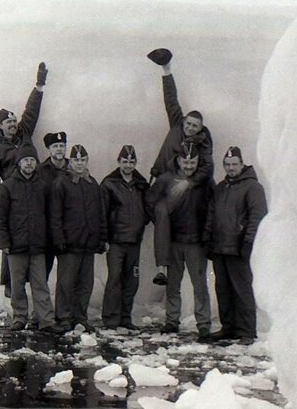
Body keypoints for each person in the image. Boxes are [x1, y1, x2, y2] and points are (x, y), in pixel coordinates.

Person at [147, 48, 214, 286]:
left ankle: (169, 266)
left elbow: (207, 169)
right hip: (163, 180)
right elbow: (171, 99)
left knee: (170, 216)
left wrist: (190, 181)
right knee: (158, 214)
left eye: (196, 126)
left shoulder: (204, 143)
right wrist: (166, 70)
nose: (191, 127)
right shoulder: (177, 124)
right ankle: (162, 266)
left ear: (200, 128)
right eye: (189, 123)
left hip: (183, 186)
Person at [0, 62, 49, 297]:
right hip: (12, 198)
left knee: (37, 240)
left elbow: (31, 111)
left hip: (35, 192)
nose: (13, 125)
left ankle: (37, 288)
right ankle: (11, 289)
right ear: (1, 127)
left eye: (14, 121)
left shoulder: (24, 133)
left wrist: (39, 85)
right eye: (8, 123)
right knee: (12, 246)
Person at [0, 145, 65, 334]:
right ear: (19, 163)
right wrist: (4, 242)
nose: (29, 163)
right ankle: (19, 317)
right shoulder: (7, 186)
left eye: (32, 160)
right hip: (16, 246)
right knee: (17, 285)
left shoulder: (43, 186)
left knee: (40, 284)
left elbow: (51, 215)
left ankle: (46, 320)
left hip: (39, 246)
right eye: (26, 160)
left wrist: (50, 240)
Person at [146, 143, 212, 341]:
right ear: (178, 160)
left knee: (199, 284)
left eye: (193, 162)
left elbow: (214, 205)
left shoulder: (205, 182)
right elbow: (150, 200)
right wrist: (161, 219)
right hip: (173, 241)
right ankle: (172, 320)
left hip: (196, 242)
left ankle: (203, 324)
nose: (189, 166)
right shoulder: (166, 179)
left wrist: (207, 230)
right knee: (172, 284)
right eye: (186, 162)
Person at [203, 146, 268, 345]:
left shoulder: (252, 187)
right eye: (228, 165)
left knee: (242, 289)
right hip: (220, 247)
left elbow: (257, 216)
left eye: (234, 164)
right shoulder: (221, 188)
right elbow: (212, 214)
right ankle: (228, 327)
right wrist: (208, 237)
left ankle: (247, 331)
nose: (231, 168)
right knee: (223, 289)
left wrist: (248, 242)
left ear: (242, 164)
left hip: (238, 247)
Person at [50, 144, 107, 332]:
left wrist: (101, 238)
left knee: (85, 284)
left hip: (88, 244)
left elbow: (100, 214)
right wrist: (59, 239)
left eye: (83, 160)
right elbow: (55, 215)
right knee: (66, 282)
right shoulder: (62, 183)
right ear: (70, 161)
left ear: (87, 161)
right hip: (70, 244)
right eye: (76, 160)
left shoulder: (92, 184)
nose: (79, 163)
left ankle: (80, 317)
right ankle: (64, 317)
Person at [100, 145, 151, 330]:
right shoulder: (109, 183)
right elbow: (102, 213)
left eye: (131, 161)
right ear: (119, 162)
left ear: (135, 163)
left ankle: (125, 317)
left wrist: (141, 222)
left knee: (132, 280)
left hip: (134, 241)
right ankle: (110, 319)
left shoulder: (141, 183)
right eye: (125, 161)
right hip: (116, 241)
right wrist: (104, 238)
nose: (128, 165)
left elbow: (148, 208)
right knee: (114, 279)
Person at [36, 131, 69, 277]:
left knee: (68, 273)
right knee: (43, 271)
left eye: (62, 145)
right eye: (55, 146)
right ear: (49, 149)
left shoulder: (73, 169)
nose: (59, 149)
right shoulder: (40, 171)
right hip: (47, 231)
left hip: (68, 229)